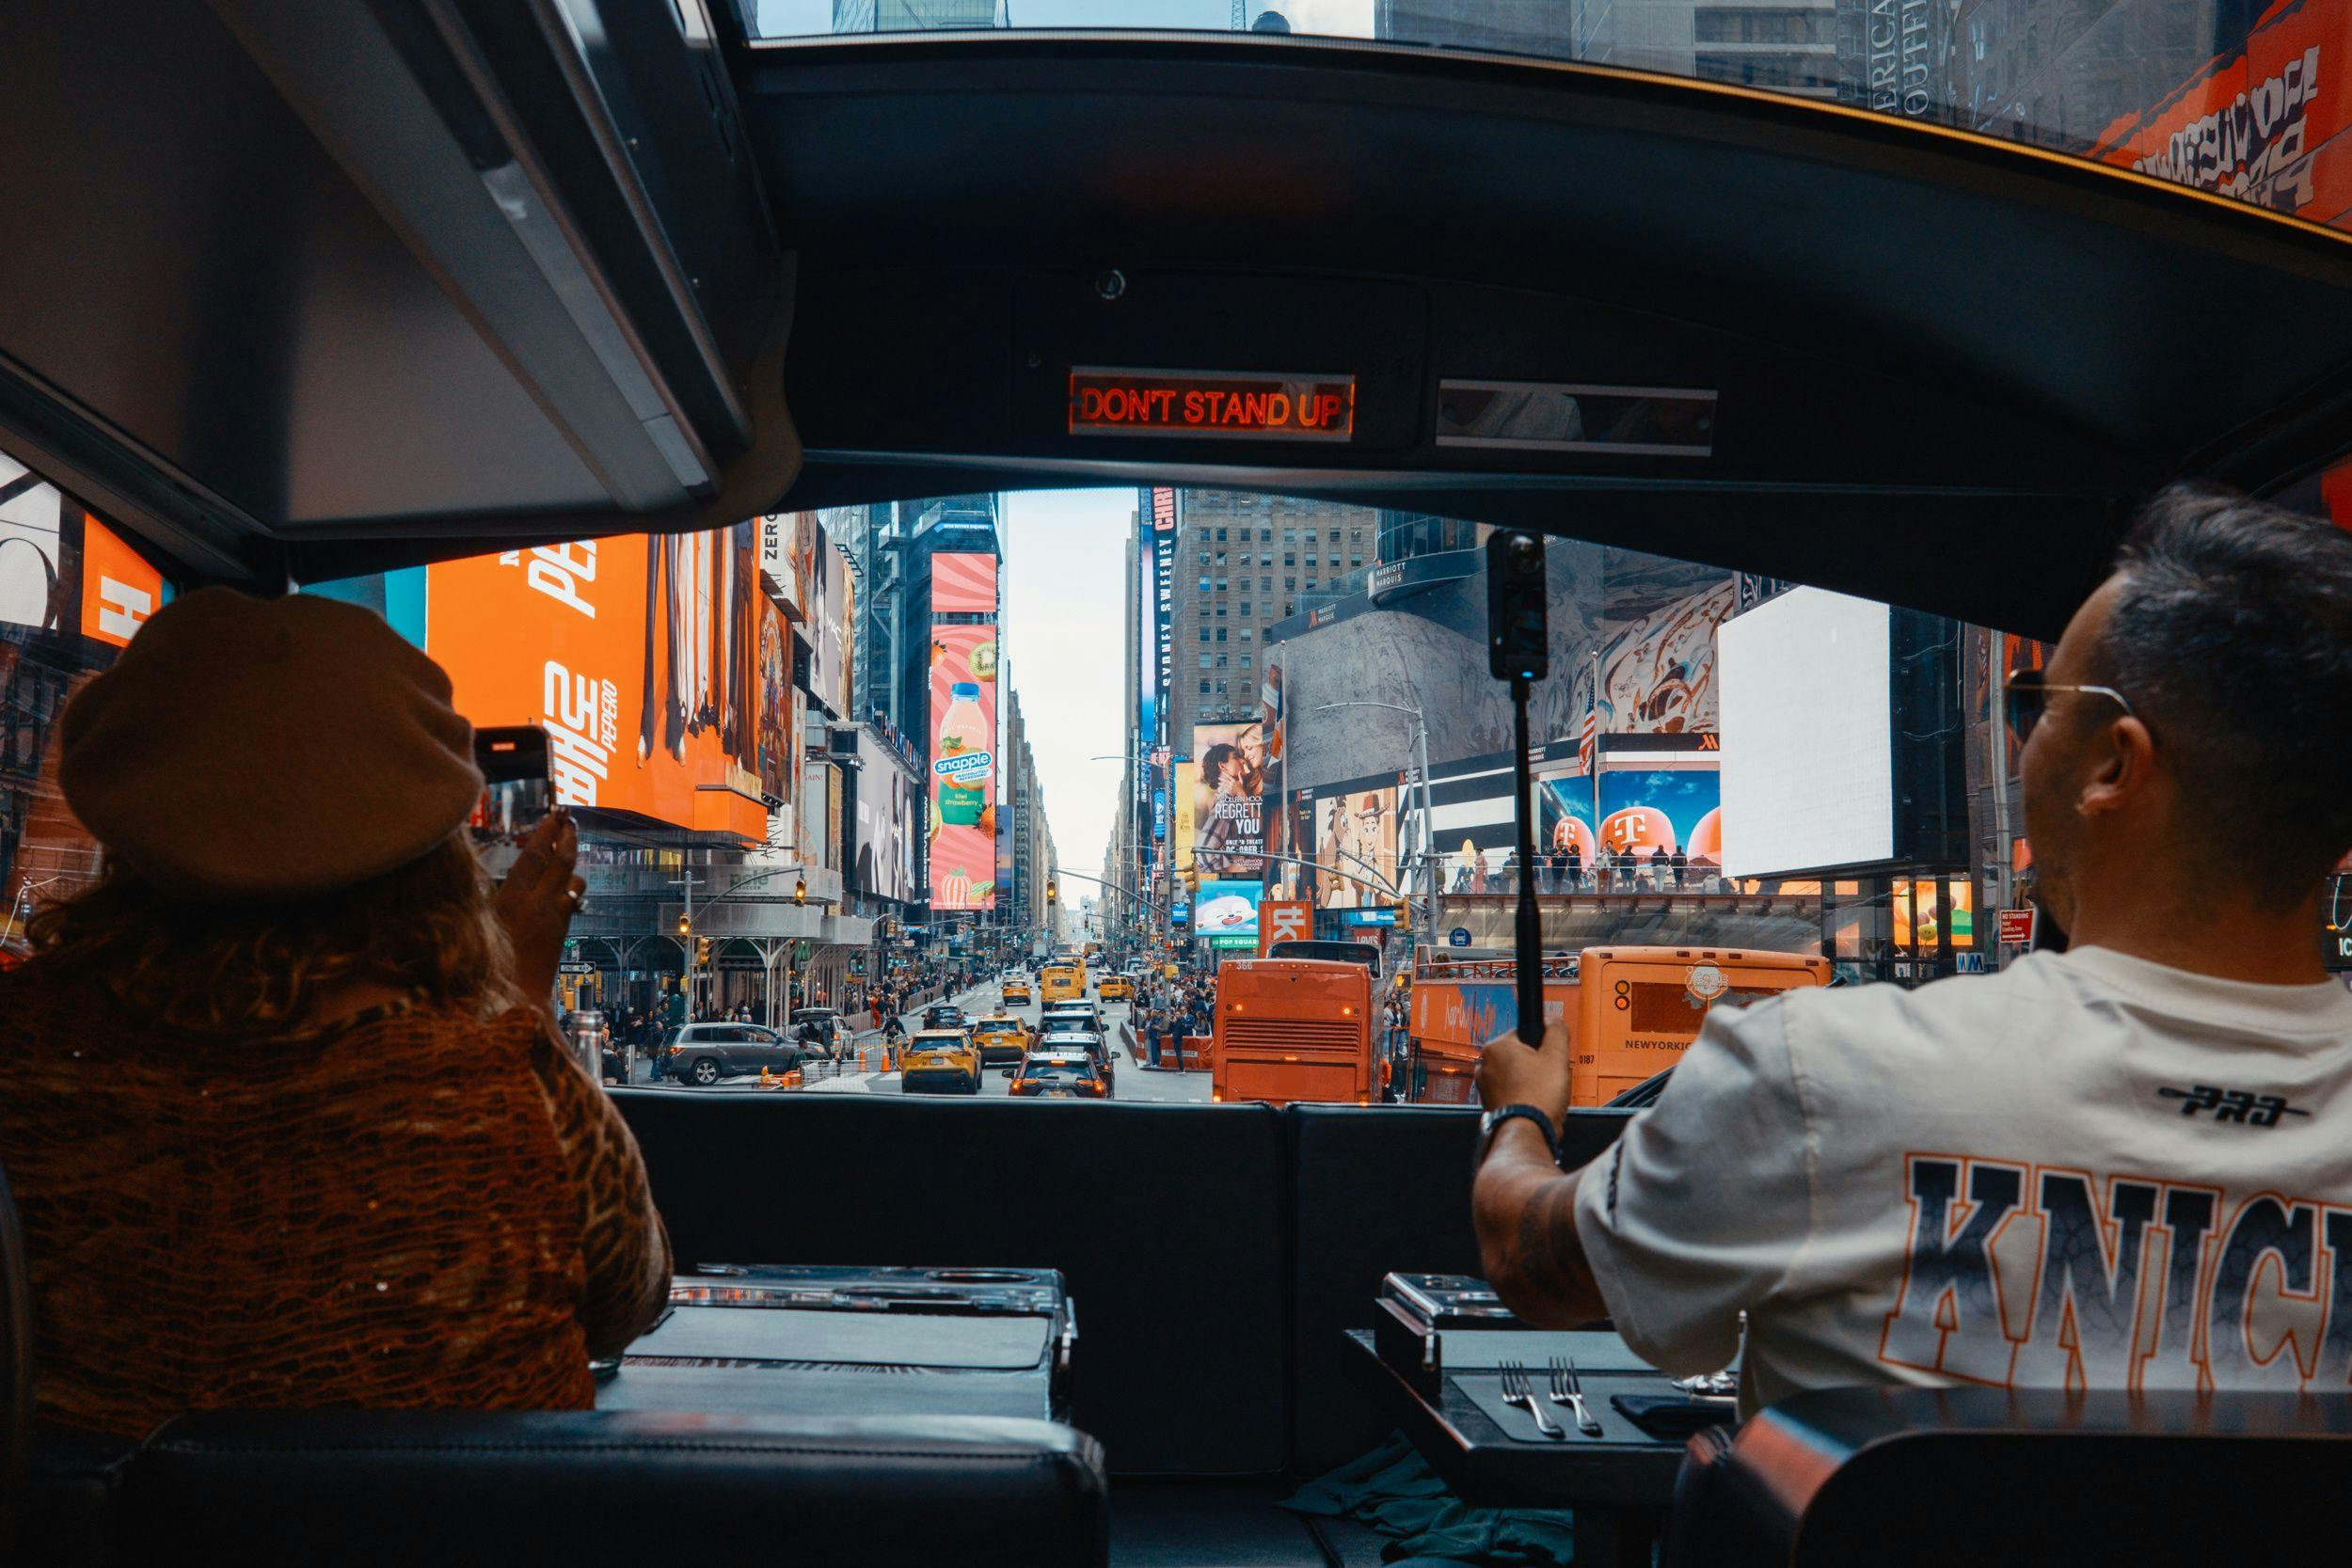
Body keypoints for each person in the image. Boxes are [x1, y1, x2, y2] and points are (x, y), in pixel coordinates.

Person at [1471, 488, 2352, 1418]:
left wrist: (1518, 1116)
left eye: (2034, 703)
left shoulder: (1819, 1075)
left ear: (2113, 764)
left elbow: (1537, 1264)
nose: (2022, 738)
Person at [0, 589, 671, 1437]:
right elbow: (631, 1294)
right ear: (427, 866)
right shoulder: (506, 1080)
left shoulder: (21, 1052)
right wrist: (512, 1001)